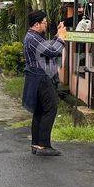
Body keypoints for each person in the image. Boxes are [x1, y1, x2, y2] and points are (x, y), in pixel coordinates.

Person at [22, 10, 67, 157]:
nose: (46, 25)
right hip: (41, 78)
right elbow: (53, 51)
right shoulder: (33, 38)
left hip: (38, 77)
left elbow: (47, 48)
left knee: (40, 110)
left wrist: (57, 35)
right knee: (50, 109)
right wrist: (61, 39)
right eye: (44, 23)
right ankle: (43, 145)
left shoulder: (35, 37)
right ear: (36, 24)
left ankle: (37, 144)